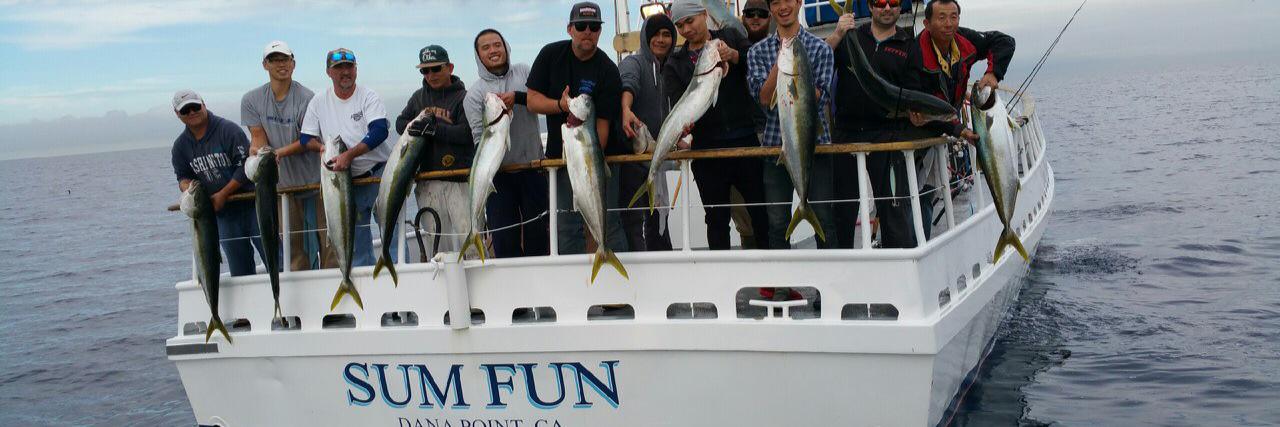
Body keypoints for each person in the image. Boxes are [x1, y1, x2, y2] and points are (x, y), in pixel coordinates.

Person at [665, 0, 771, 251]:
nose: (686, 29)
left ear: (704, 15)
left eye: (689, 21)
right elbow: (680, 104)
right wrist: (684, 130)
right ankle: (720, 285)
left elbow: (754, 60)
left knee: (761, 213)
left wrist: (733, 55)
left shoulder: (731, 36)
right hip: (706, 150)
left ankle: (774, 282)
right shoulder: (675, 63)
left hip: (745, 140)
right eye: (680, 25)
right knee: (716, 219)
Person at [525, 1, 628, 255]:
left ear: (600, 31)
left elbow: (601, 129)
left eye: (594, 27)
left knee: (610, 222)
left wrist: (586, 159)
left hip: (597, 159)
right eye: (581, 26)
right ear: (570, 28)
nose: (587, 32)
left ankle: (619, 280)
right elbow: (531, 101)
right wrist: (560, 106)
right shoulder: (550, 55)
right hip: (560, 161)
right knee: (565, 225)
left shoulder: (608, 70)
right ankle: (572, 285)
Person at [823, 0, 925, 248]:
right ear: (870, 7)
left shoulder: (909, 46)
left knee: (893, 210)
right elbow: (819, 61)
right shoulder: (851, 38)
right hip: (845, 135)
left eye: (893, 2)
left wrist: (917, 115)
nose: (887, 7)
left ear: (900, 8)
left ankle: (896, 271)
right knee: (841, 211)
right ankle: (839, 274)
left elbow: (914, 90)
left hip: (886, 138)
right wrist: (838, 33)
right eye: (880, 2)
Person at [909, 0, 1015, 238]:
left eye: (954, 17)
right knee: (919, 190)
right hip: (920, 126)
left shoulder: (964, 39)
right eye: (942, 17)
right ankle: (920, 241)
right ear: (926, 23)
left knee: (928, 188)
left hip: (951, 120)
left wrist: (992, 72)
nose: (949, 24)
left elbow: (1005, 42)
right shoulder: (915, 54)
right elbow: (923, 108)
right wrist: (959, 130)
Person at [747, 0, 837, 250]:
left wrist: (799, 80)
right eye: (776, 2)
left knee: (825, 219)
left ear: (799, 3)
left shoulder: (821, 49)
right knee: (776, 223)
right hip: (775, 148)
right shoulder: (757, 52)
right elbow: (764, 99)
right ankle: (782, 289)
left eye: (789, 0)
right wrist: (782, 64)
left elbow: (823, 96)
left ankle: (832, 289)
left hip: (815, 146)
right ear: (771, 8)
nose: (783, 7)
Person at [240, 40, 334, 269]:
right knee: (294, 252)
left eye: (285, 59)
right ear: (265, 65)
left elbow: (308, 139)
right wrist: (259, 151)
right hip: (282, 188)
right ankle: (302, 304)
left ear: (293, 64)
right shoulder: (251, 100)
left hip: (317, 185)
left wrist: (277, 153)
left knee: (330, 247)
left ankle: (337, 302)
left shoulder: (307, 98)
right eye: (274, 60)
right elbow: (257, 136)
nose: (281, 64)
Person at [299, 48, 393, 267]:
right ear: (328, 72)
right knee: (358, 243)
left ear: (356, 69)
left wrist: (349, 154)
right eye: (338, 68)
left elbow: (380, 130)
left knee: (391, 234)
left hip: (379, 175)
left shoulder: (368, 96)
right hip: (347, 182)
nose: (344, 72)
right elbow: (306, 138)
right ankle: (363, 290)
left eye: (348, 67)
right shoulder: (318, 101)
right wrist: (323, 148)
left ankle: (399, 284)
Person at [463, 29, 550, 258]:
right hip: (498, 177)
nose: (493, 50)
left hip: (532, 169)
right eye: (486, 47)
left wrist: (518, 99)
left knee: (539, 237)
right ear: (478, 56)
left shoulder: (524, 71)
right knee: (504, 242)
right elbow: (478, 137)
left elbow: (540, 99)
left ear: (506, 47)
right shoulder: (473, 95)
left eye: (497, 44)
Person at [170, 89, 265, 276]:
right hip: (222, 215)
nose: (192, 112)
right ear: (177, 114)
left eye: (195, 107)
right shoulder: (180, 146)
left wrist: (224, 193)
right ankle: (248, 305)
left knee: (274, 258)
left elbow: (245, 167)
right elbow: (182, 176)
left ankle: (282, 299)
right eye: (185, 110)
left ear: (204, 104)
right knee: (240, 270)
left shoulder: (228, 130)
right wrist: (189, 189)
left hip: (253, 206)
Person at [395, 45, 476, 256]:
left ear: (449, 67)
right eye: (425, 70)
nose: (430, 75)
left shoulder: (465, 97)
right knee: (437, 248)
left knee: (471, 239)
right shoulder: (418, 98)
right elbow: (400, 123)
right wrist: (415, 126)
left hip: (461, 181)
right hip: (428, 181)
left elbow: (466, 134)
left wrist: (433, 130)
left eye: (436, 68)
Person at [618, 14, 676, 252]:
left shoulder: (672, 67)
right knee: (632, 221)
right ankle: (638, 279)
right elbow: (627, 83)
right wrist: (626, 109)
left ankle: (664, 273)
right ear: (646, 37)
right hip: (632, 158)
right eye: (656, 35)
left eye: (667, 35)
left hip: (656, 157)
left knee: (658, 218)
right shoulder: (634, 63)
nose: (661, 40)